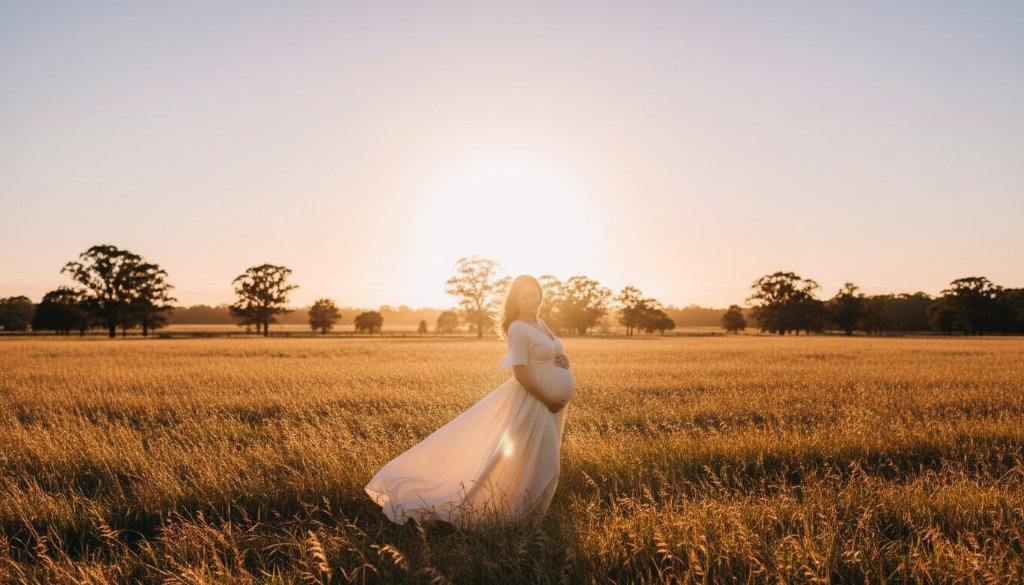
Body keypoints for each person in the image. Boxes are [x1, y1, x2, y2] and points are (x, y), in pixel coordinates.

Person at [364, 274, 575, 530]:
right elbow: (520, 372)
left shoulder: (540, 323)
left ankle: (524, 517)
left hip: (550, 405)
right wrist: (549, 398)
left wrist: (563, 360)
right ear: (516, 300)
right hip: (535, 402)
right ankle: (513, 517)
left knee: (534, 460)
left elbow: (551, 353)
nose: (532, 299)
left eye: (535, 294)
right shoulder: (518, 327)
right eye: (525, 295)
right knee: (543, 463)